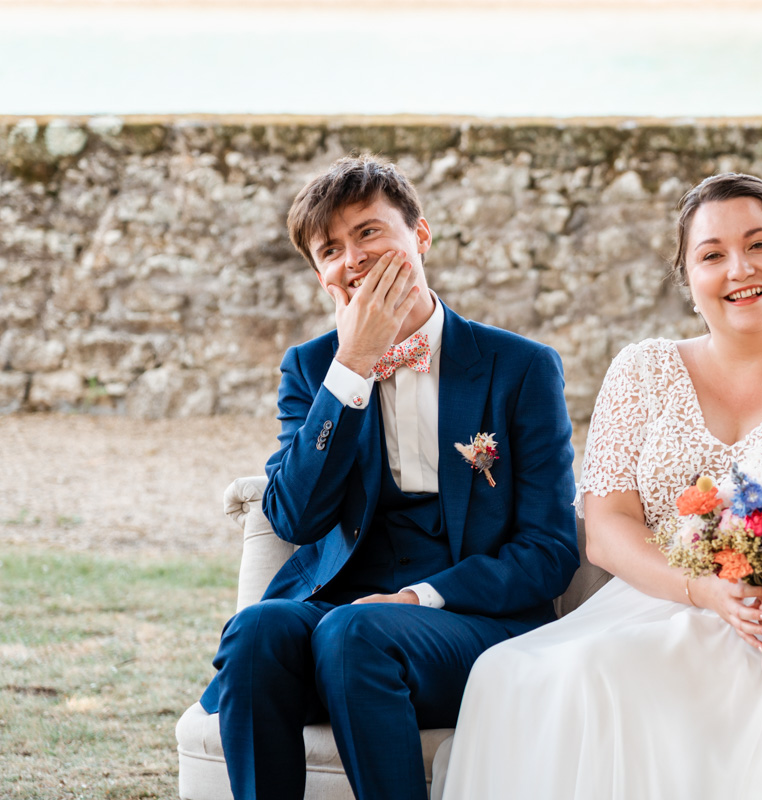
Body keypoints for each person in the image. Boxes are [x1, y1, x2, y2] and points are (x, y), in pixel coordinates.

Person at [441, 173, 762, 799]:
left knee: (611, 676)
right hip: (665, 599)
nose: (739, 268)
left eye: (760, 244)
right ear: (690, 281)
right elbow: (606, 529)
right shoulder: (642, 371)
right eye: (712, 255)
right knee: (508, 673)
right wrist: (701, 589)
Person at [196, 154, 579, 800]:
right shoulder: (311, 368)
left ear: (420, 236)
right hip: (339, 611)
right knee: (258, 631)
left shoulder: (520, 368)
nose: (354, 259)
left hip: (473, 622)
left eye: (369, 232)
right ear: (321, 276)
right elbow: (293, 516)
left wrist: (417, 600)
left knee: (354, 632)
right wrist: (351, 368)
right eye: (331, 249)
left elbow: (550, 551)